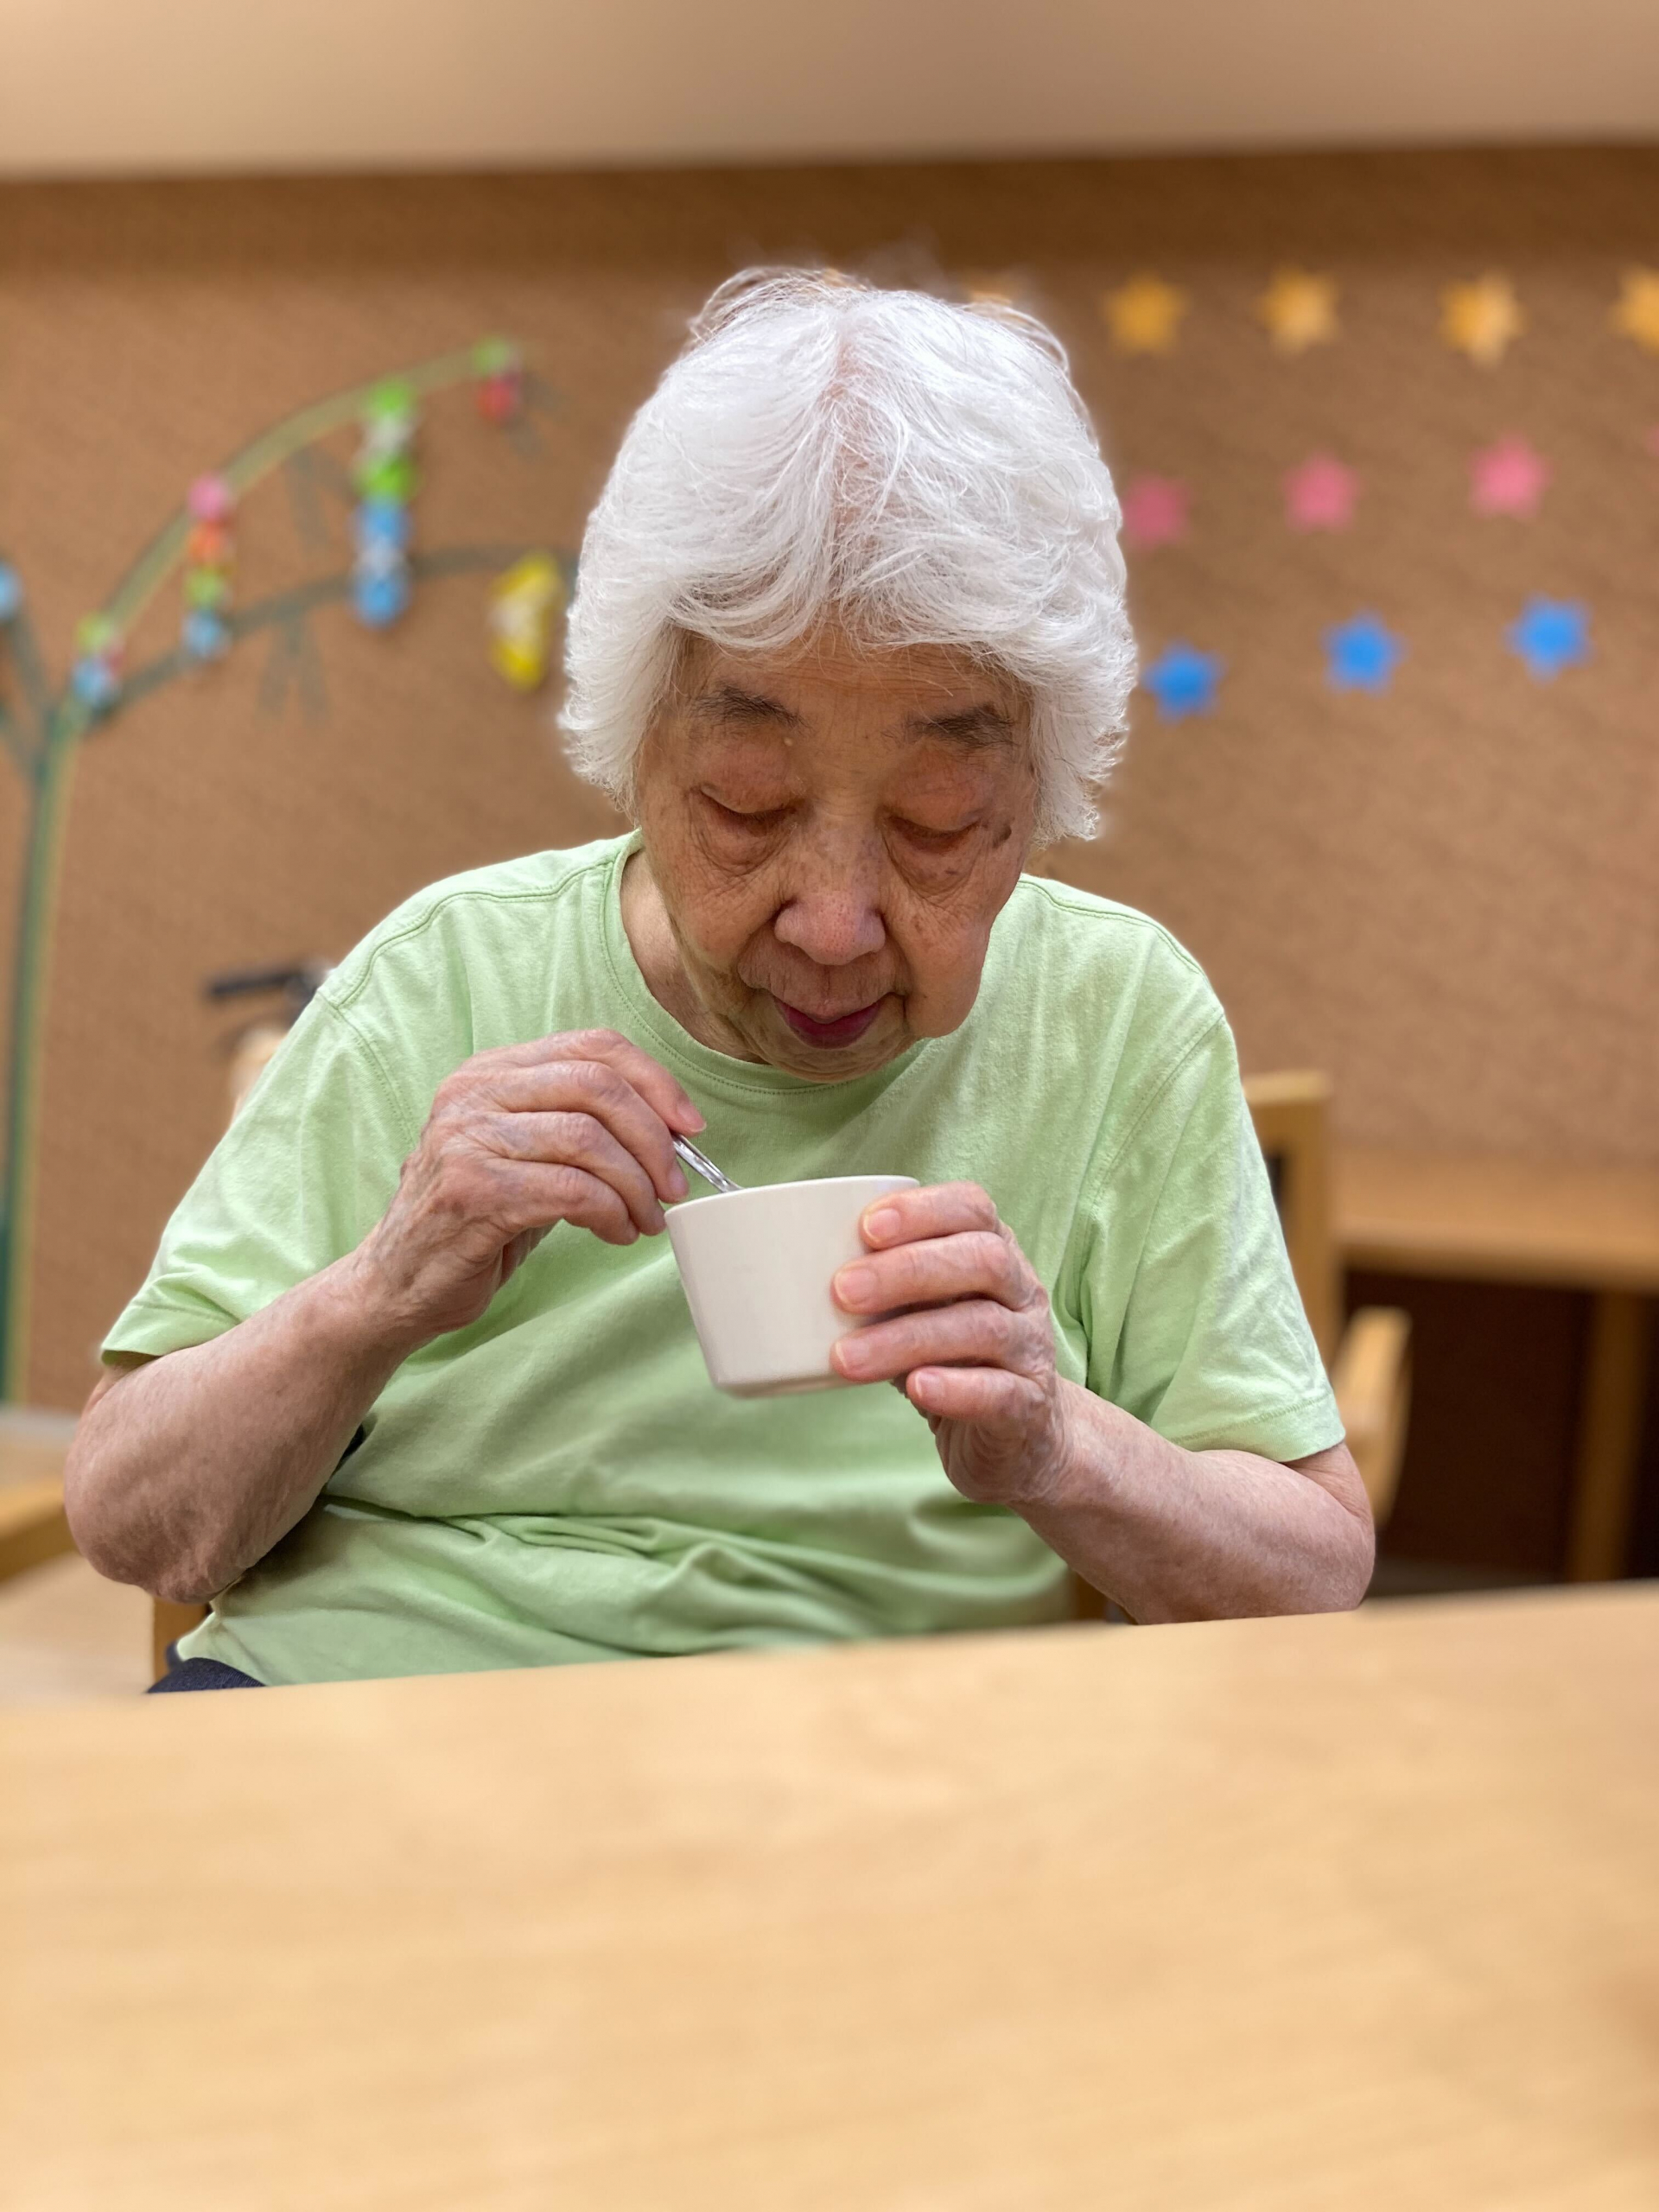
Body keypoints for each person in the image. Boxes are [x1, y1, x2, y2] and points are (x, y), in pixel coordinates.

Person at [65, 270, 1372, 1689]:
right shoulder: (448, 970)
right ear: (635, 758)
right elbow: (131, 1520)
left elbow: (1311, 1575)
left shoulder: (1115, 1019)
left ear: (1040, 809)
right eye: (747, 806)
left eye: (937, 827)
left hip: (864, 1755)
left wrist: (1062, 1444)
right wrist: (383, 1287)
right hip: (367, 1702)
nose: (834, 923)